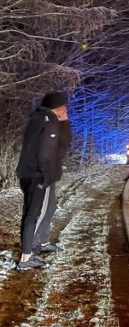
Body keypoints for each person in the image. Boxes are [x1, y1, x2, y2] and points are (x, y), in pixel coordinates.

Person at [16, 92, 72, 270]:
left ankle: (41, 242)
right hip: (39, 175)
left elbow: (62, 143)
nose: (67, 109)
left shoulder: (40, 118)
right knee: (36, 214)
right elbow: (46, 150)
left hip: (31, 173)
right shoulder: (49, 121)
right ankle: (26, 257)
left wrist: (64, 121)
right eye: (65, 106)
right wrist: (47, 174)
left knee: (47, 209)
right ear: (59, 107)